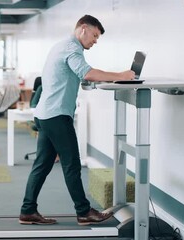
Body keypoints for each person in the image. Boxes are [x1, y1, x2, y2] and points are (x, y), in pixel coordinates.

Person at [19, 15, 135, 226]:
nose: (95, 41)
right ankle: (83, 212)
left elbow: (75, 74)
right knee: (71, 164)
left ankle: (28, 210)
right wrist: (122, 75)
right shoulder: (71, 48)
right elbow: (87, 73)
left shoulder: (63, 46)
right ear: (83, 28)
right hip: (56, 116)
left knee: (42, 165)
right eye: (94, 35)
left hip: (46, 114)